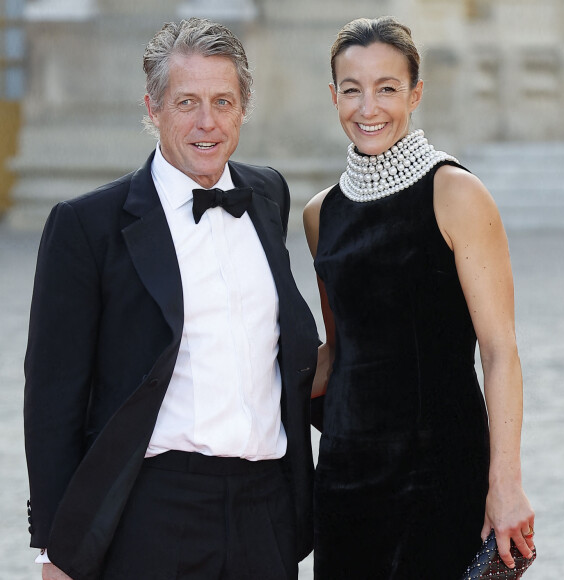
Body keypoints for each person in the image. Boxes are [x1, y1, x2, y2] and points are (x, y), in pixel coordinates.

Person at [24, 17, 319, 580]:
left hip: (266, 515)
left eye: (223, 101)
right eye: (186, 102)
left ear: (243, 107)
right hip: (151, 511)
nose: (207, 123)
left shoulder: (267, 195)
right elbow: (53, 400)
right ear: (153, 108)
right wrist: (55, 549)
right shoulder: (86, 226)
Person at [303, 16, 535, 579]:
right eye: (352, 90)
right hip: (346, 477)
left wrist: (505, 486)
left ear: (415, 93)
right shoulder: (319, 215)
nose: (368, 107)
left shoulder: (456, 193)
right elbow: (340, 353)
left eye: (386, 88)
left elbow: (500, 349)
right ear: (334, 97)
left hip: (441, 470)